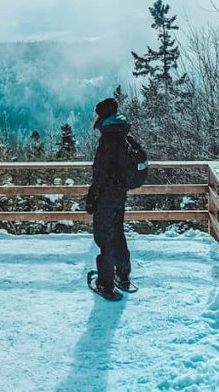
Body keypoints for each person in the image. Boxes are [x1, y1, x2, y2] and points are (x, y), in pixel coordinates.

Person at [84, 97, 133, 297]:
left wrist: (91, 197)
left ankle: (105, 283)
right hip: (119, 195)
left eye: (96, 114)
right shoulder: (121, 135)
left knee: (104, 236)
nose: (94, 118)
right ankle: (123, 275)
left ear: (102, 115)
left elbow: (101, 173)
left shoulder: (108, 140)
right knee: (117, 233)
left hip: (106, 196)